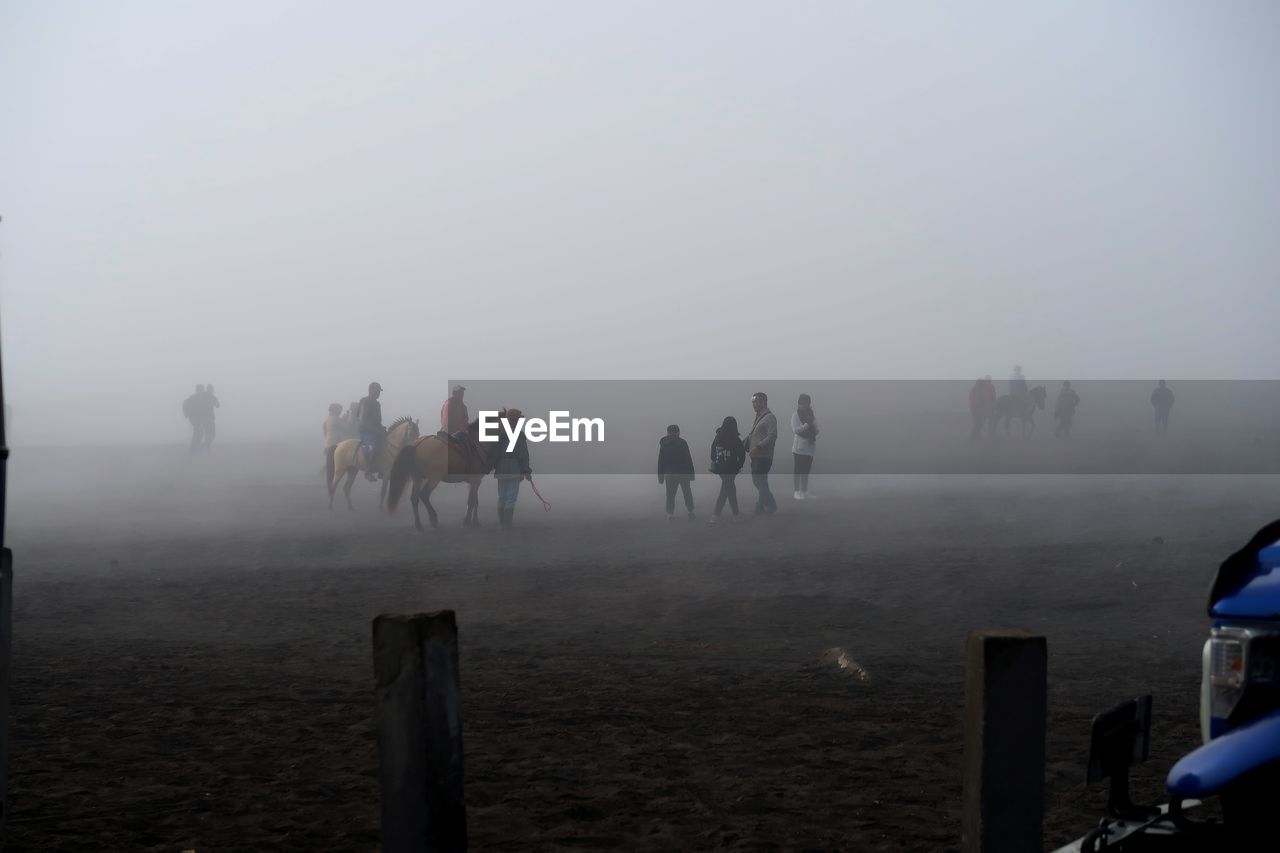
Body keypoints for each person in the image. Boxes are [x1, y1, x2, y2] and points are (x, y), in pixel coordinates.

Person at [492, 407, 531, 528]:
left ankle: (502, 523)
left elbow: (495, 452)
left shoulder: (500, 435)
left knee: (502, 496)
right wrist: (526, 471)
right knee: (511, 497)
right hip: (514, 468)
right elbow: (523, 455)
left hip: (501, 467)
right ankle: (507, 524)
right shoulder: (519, 436)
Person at [744, 392, 778, 515]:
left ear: (764, 402)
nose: (753, 404)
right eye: (752, 402)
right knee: (760, 481)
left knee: (759, 481)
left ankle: (763, 505)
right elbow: (752, 435)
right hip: (756, 456)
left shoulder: (770, 418)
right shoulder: (759, 418)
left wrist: (759, 447)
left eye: (756, 401)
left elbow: (772, 436)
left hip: (763, 456)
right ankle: (768, 505)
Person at [709, 416, 746, 523]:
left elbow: (712, 455)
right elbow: (742, 455)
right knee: (726, 491)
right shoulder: (735, 439)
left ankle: (734, 514)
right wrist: (738, 466)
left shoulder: (717, 438)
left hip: (720, 469)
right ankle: (717, 515)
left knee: (730, 490)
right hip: (731, 469)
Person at [657, 424, 696, 521]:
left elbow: (661, 461)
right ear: (678, 432)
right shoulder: (682, 442)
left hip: (670, 474)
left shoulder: (664, 444)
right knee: (687, 493)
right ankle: (690, 511)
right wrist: (692, 474)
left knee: (670, 494)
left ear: (668, 432)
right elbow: (688, 459)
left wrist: (660, 476)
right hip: (683, 473)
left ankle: (670, 514)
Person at [356, 382, 385, 482]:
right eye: (377, 391)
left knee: (388, 444)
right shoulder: (365, 402)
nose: (378, 393)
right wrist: (375, 430)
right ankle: (367, 471)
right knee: (372, 447)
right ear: (371, 390)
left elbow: (378, 420)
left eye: (379, 391)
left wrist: (381, 428)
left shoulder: (377, 404)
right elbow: (363, 420)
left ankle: (382, 469)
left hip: (376, 430)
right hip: (366, 431)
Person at [791, 393, 818, 499]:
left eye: (807, 403)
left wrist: (815, 430)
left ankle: (804, 491)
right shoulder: (795, 415)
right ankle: (796, 492)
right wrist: (806, 425)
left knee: (806, 470)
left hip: (810, 447)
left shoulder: (811, 414)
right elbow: (795, 430)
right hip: (799, 448)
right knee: (798, 470)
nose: (806, 405)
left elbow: (816, 426)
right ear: (799, 404)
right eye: (803, 403)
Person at [323, 403, 344, 486]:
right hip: (335, 445)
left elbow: (325, 432)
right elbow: (346, 427)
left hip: (328, 444)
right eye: (339, 410)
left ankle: (329, 483)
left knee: (330, 466)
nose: (340, 412)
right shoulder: (336, 419)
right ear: (335, 411)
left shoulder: (327, 419)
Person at [183, 384, 206, 454]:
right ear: (198, 390)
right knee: (198, 433)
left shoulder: (196, 397)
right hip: (195, 418)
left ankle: (194, 448)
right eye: (202, 389)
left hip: (195, 418)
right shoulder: (195, 398)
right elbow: (197, 408)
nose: (203, 390)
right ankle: (193, 449)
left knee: (198, 432)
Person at [200, 383, 221, 450]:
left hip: (205, 418)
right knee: (211, 434)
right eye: (212, 389)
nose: (212, 390)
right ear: (211, 389)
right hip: (209, 418)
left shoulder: (203, 395)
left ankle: (205, 447)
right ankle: (204, 447)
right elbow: (218, 405)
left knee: (208, 434)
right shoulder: (211, 396)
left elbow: (217, 405)